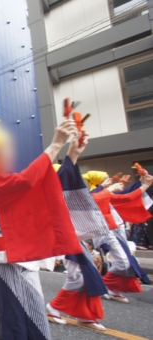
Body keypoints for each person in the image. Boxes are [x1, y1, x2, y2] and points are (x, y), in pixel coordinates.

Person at [0, 119, 83, 340]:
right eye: (4, 148)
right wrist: (55, 145)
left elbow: (44, 187)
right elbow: (27, 181)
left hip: (19, 258)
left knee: (21, 317)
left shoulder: (0, 180)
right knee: (14, 318)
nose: (9, 153)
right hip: (6, 262)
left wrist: (71, 154)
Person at [45, 133, 110, 331]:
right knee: (79, 276)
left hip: (73, 236)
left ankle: (85, 314)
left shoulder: (62, 194)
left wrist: (74, 152)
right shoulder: (49, 192)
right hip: (63, 237)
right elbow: (65, 174)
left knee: (88, 274)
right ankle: (53, 307)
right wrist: (72, 152)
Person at [84, 171, 153, 302]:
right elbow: (94, 198)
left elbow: (126, 197)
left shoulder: (105, 193)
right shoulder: (93, 195)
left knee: (125, 262)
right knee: (123, 262)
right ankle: (103, 285)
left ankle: (113, 289)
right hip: (105, 233)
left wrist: (144, 184)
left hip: (116, 230)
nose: (110, 180)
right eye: (105, 179)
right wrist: (109, 188)